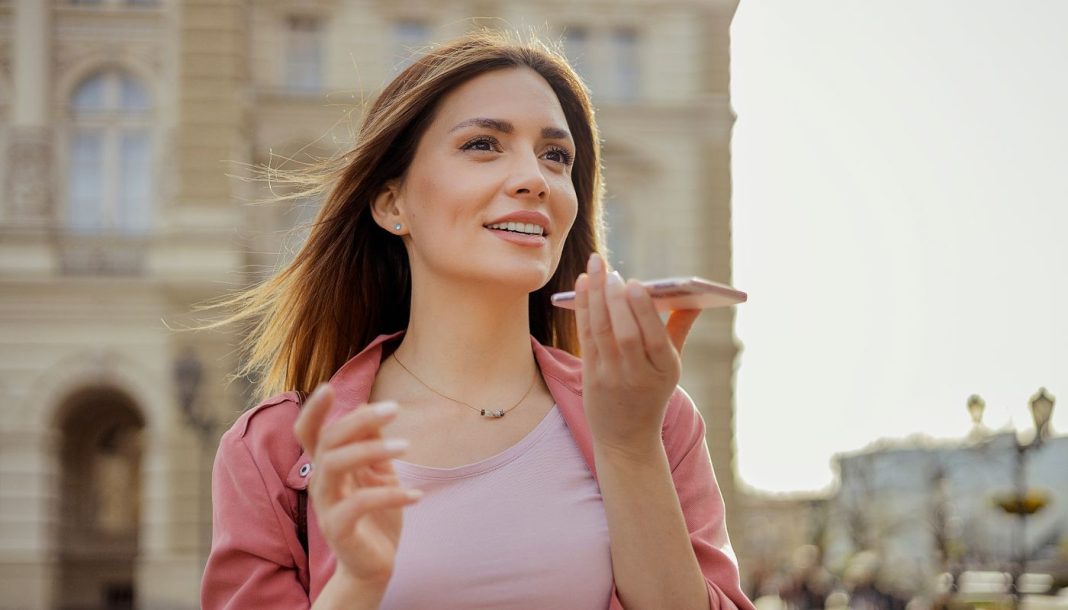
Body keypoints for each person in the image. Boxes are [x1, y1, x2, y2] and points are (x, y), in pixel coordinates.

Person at [201, 29, 754, 610]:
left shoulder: (655, 421)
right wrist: (356, 585)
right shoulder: (272, 452)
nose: (535, 179)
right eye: (484, 145)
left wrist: (630, 451)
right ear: (393, 203)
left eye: (556, 156)